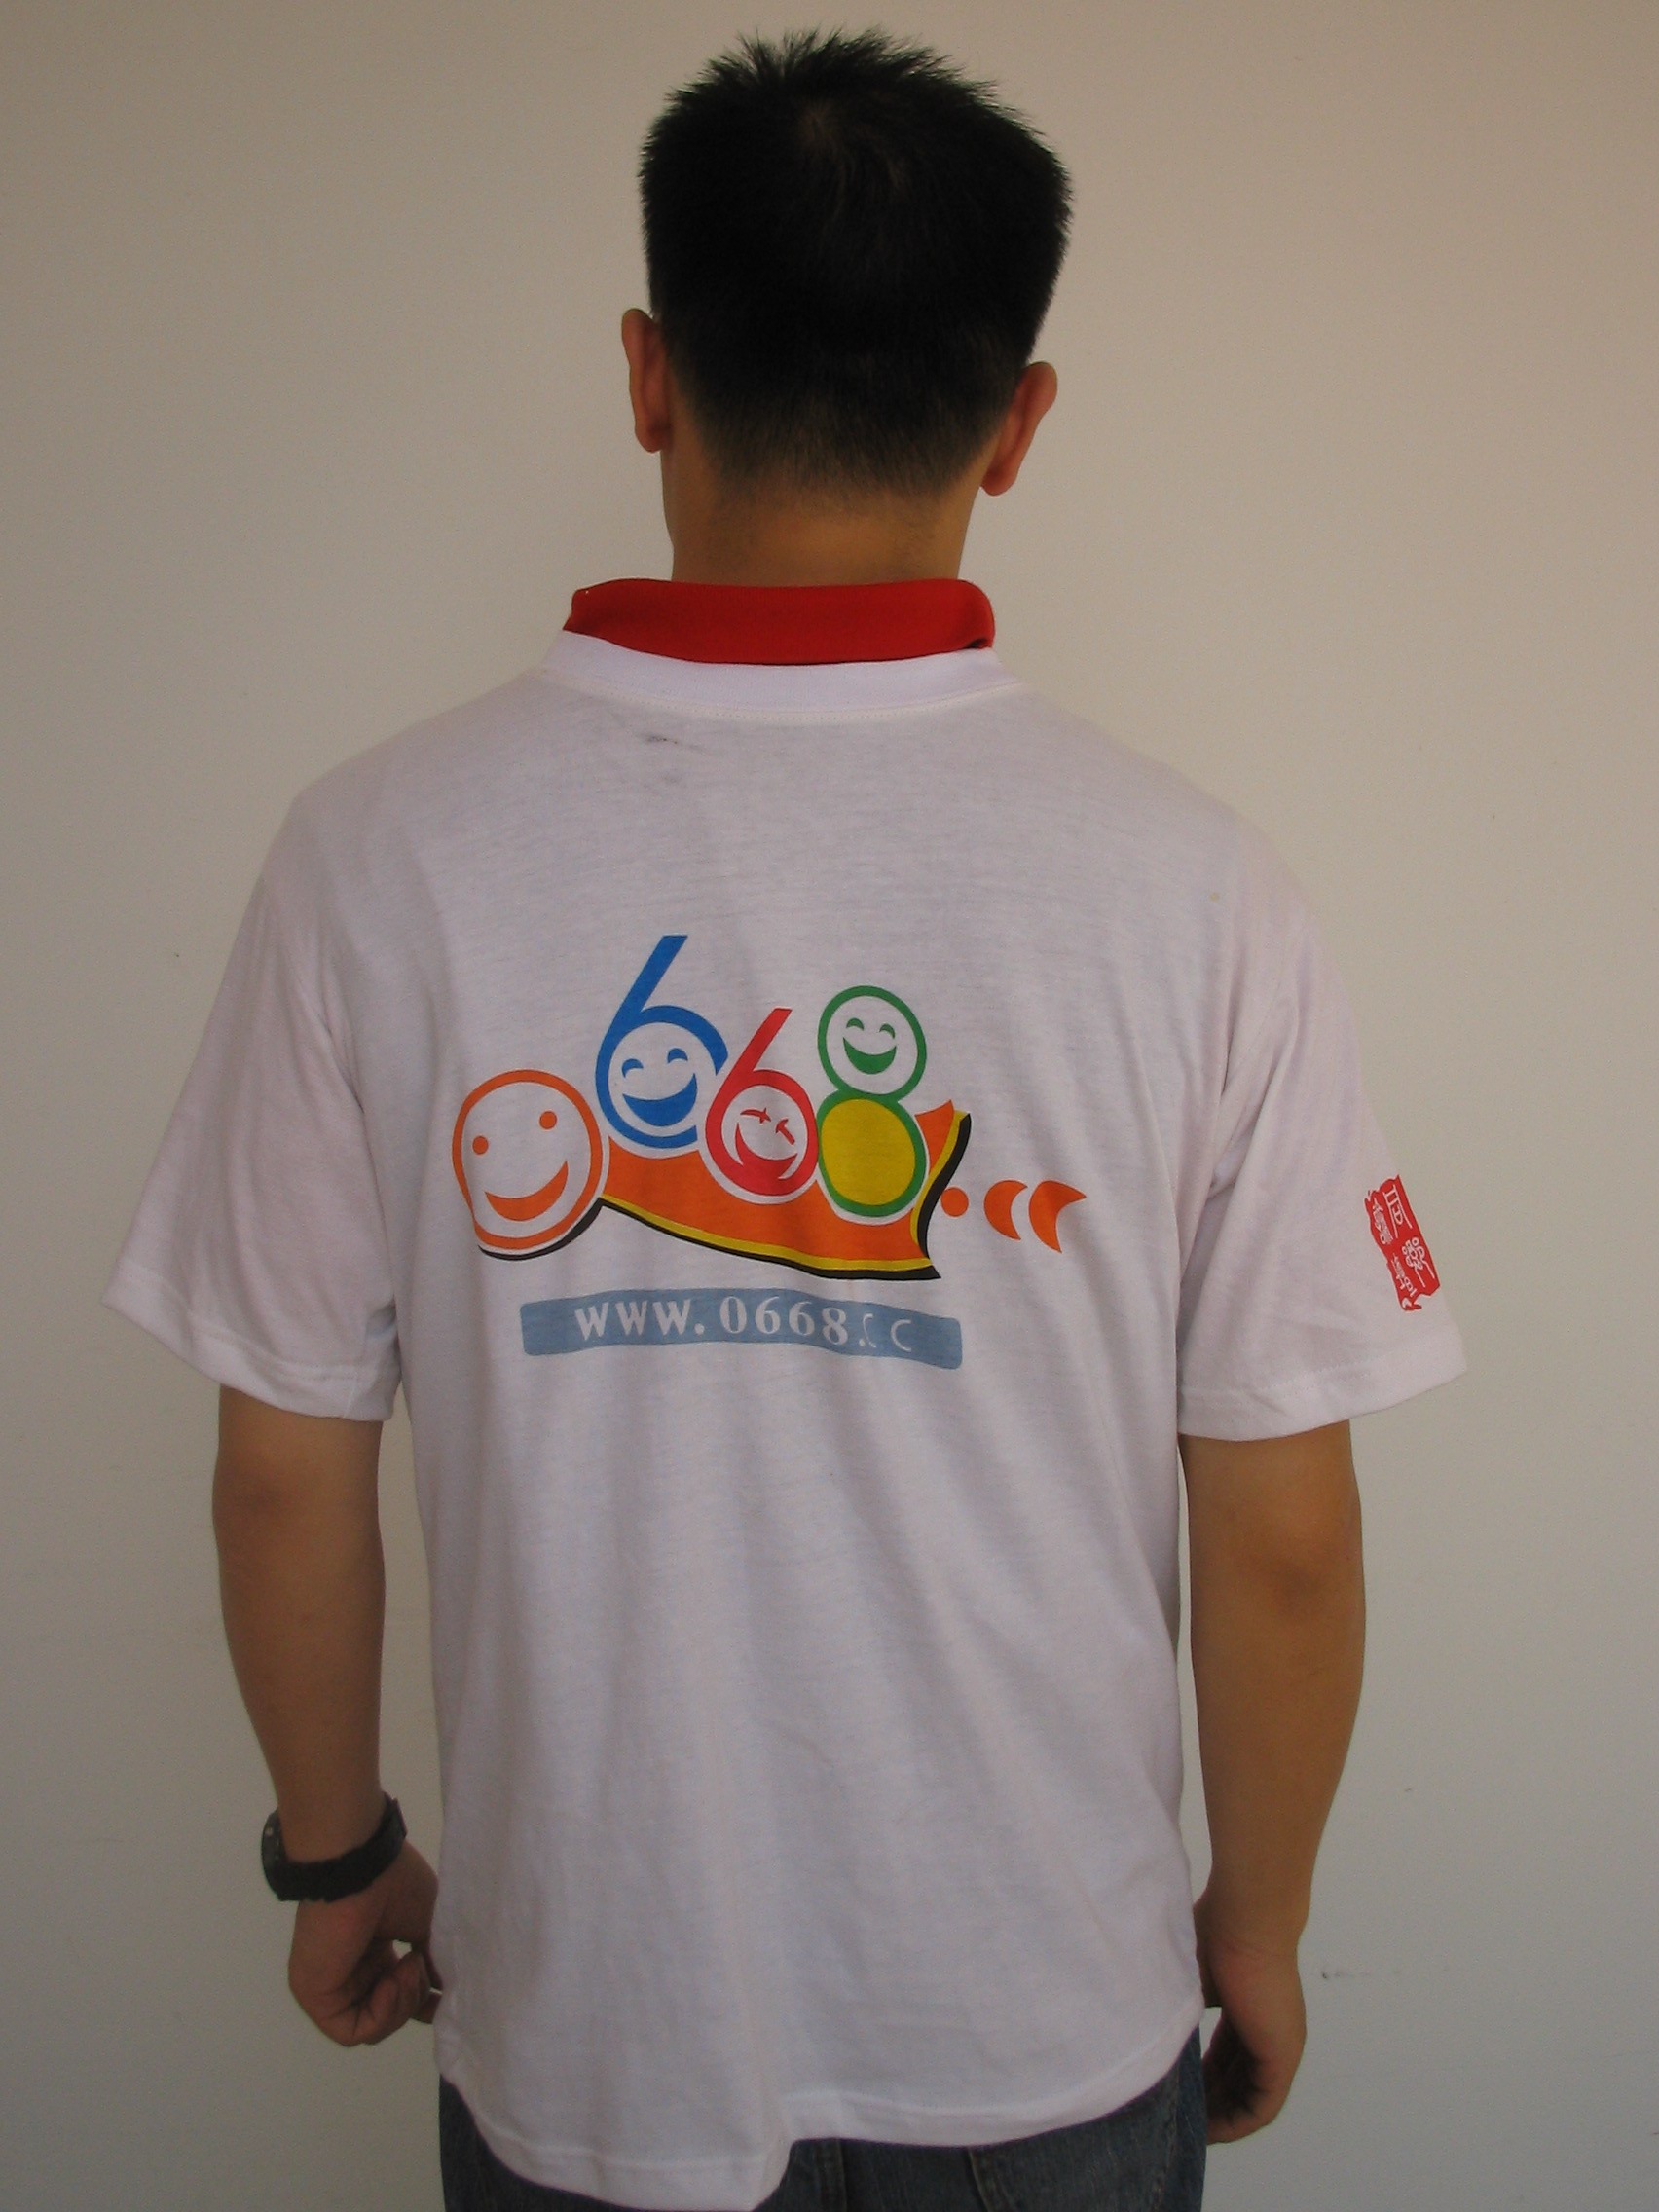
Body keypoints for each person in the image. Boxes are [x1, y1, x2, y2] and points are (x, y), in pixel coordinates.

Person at [105, 28, 1465, 2212]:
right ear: (1019, 422)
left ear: (648, 377)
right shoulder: (1199, 892)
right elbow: (1286, 1530)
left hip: (594, 2037)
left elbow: (283, 1470)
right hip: (1049, 2031)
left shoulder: (377, 854)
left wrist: (338, 1855)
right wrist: (1260, 1921)